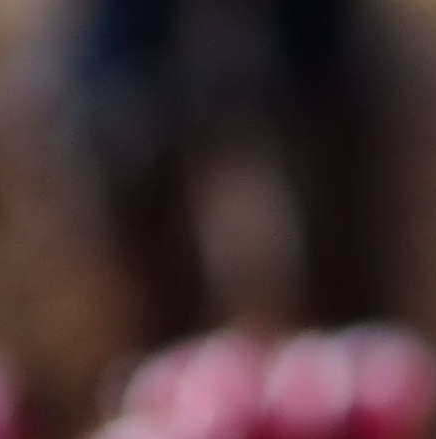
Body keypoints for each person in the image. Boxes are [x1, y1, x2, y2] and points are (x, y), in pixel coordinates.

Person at [40, 0, 391, 342]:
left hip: (302, 58)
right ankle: (162, 352)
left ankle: (353, 348)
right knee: (126, 138)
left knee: (339, 133)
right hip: (142, 57)